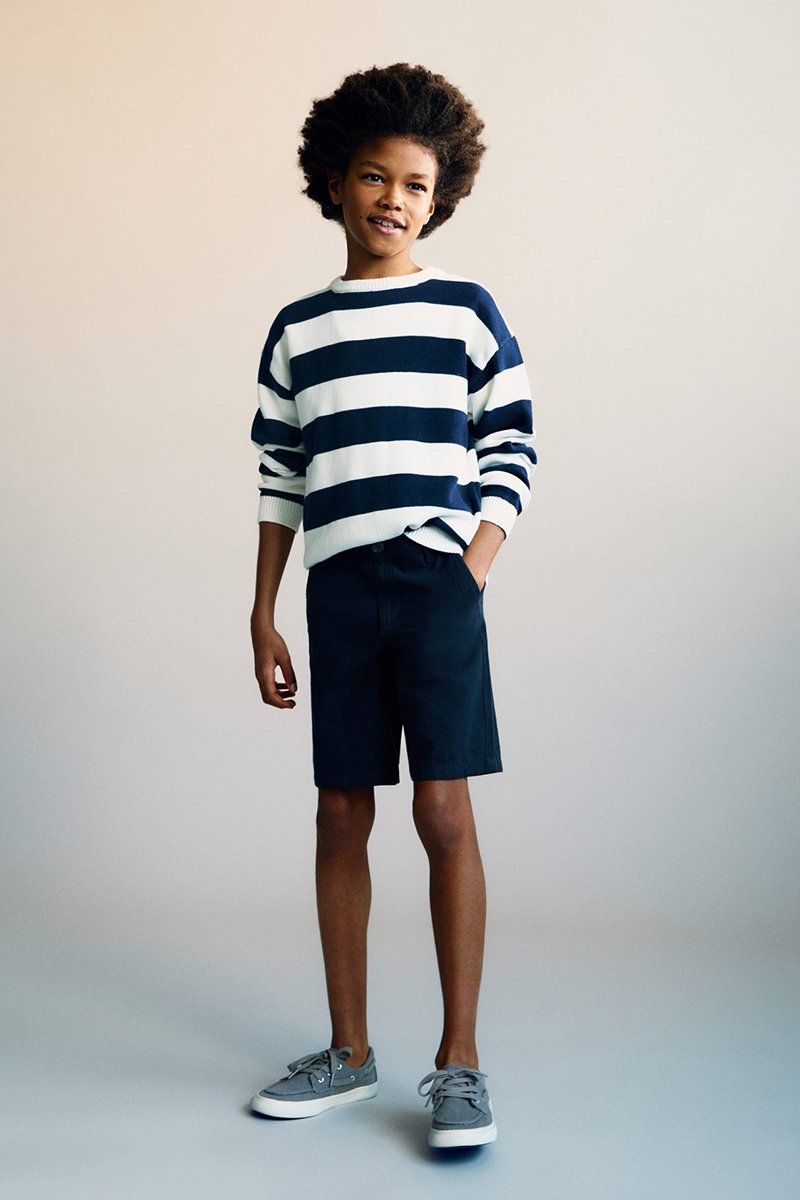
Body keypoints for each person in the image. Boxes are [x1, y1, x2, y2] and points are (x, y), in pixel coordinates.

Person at [247, 63, 536, 1149]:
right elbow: (279, 478)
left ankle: (459, 1063)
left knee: (443, 809)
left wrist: (473, 562)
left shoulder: (464, 309)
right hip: (336, 587)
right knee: (340, 810)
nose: (393, 200)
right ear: (334, 182)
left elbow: (511, 440)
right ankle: (349, 1052)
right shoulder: (296, 330)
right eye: (374, 177)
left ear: (439, 196)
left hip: (433, 579)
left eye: (416, 184)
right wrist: (263, 611)